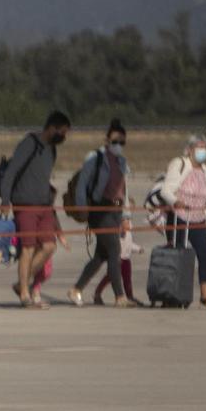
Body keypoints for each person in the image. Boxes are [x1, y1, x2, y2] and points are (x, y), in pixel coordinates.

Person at [0, 110, 70, 308]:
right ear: (52, 128)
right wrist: (5, 200)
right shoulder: (30, 143)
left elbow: (44, 180)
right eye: (62, 132)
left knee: (49, 246)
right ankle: (24, 295)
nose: (64, 137)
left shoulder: (52, 150)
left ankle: (21, 283)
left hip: (45, 206)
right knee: (28, 249)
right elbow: (10, 173)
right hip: (25, 206)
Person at [68, 120, 138, 307]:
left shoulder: (122, 162)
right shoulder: (96, 157)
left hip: (115, 210)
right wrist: (82, 207)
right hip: (100, 209)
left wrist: (126, 216)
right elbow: (82, 183)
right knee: (115, 250)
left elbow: (124, 191)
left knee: (101, 255)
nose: (118, 146)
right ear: (107, 140)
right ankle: (120, 296)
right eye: (115, 141)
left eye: (122, 142)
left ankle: (76, 289)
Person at [157, 133, 206, 308]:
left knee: (205, 254)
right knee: (179, 257)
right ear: (189, 149)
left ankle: (205, 296)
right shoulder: (180, 164)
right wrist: (175, 202)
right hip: (180, 218)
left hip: (199, 219)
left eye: (205, 147)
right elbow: (165, 191)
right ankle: (174, 294)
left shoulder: (204, 169)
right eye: (199, 147)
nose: (203, 151)